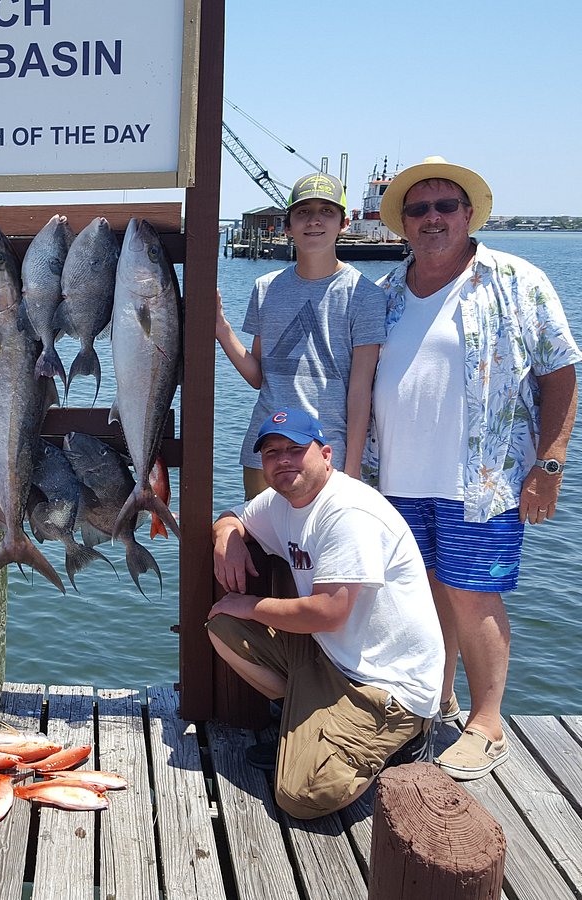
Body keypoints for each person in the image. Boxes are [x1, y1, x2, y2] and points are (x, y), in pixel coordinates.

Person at [364, 156, 581, 780]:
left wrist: (551, 463)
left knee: (473, 595)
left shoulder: (517, 279)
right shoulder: (383, 294)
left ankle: (488, 725)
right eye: (418, 208)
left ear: (468, 214)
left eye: (445, 206)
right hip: (394, 481)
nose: (432, 218)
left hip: (480, 483)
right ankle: (437, 700)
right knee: (422, 596)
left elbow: (560, 372)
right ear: (402, 222)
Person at [208, 408, 444, 819]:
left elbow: (329, 612)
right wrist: (227, 536)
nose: (283, 460)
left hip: (385, 685)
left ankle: (406, 737)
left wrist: (249, 603)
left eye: (297, 449)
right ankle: (307, 728)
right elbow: (233, 516)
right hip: (331, 657)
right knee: (223, 625)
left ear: (327, 454)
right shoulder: (281, 500)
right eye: (271, 452)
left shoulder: (348, 511)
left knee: (299, 796)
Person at [216, 173, 386, 499]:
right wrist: (222, 329)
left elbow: (360, 391)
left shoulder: (364, 295)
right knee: (263, 548)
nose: (314, 220)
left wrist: (351, 472)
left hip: (325, 456)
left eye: (326, 211)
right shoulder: (265, 288)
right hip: (263, 450)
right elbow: (259, 377)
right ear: (288, 224)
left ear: (344, 223)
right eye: (303, 212)